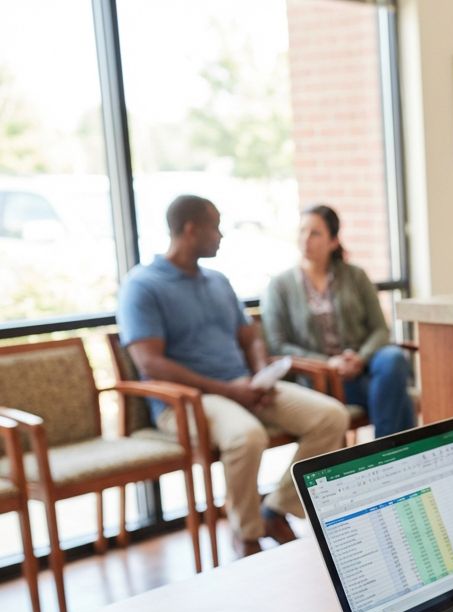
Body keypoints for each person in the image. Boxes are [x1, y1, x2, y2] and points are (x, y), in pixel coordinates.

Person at [118, 195, 350, 559]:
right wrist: (228, 390)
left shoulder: (218, 281)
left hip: (244, 387)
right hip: (188, 399)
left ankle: (275, 509)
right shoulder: (143, 286)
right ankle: (247, 535)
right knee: (246, 436)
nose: (221, 235)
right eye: (215, 226)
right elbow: (151, 364)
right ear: (191, 230)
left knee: (332, 416)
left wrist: (260, 374)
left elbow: (249, 336)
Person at [261, 204, 416, 438]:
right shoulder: (279, 286)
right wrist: (329, 363)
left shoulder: (355, 275)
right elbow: (277, 345)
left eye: (315, 233)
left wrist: (359, 358)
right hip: (321, 377)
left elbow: (379, 329)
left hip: (365, 364)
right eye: (302, 231)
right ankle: (390, 456)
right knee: (395, 393)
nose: (305, 239)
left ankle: (384, 456)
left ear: (333, 241)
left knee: (393, 358)